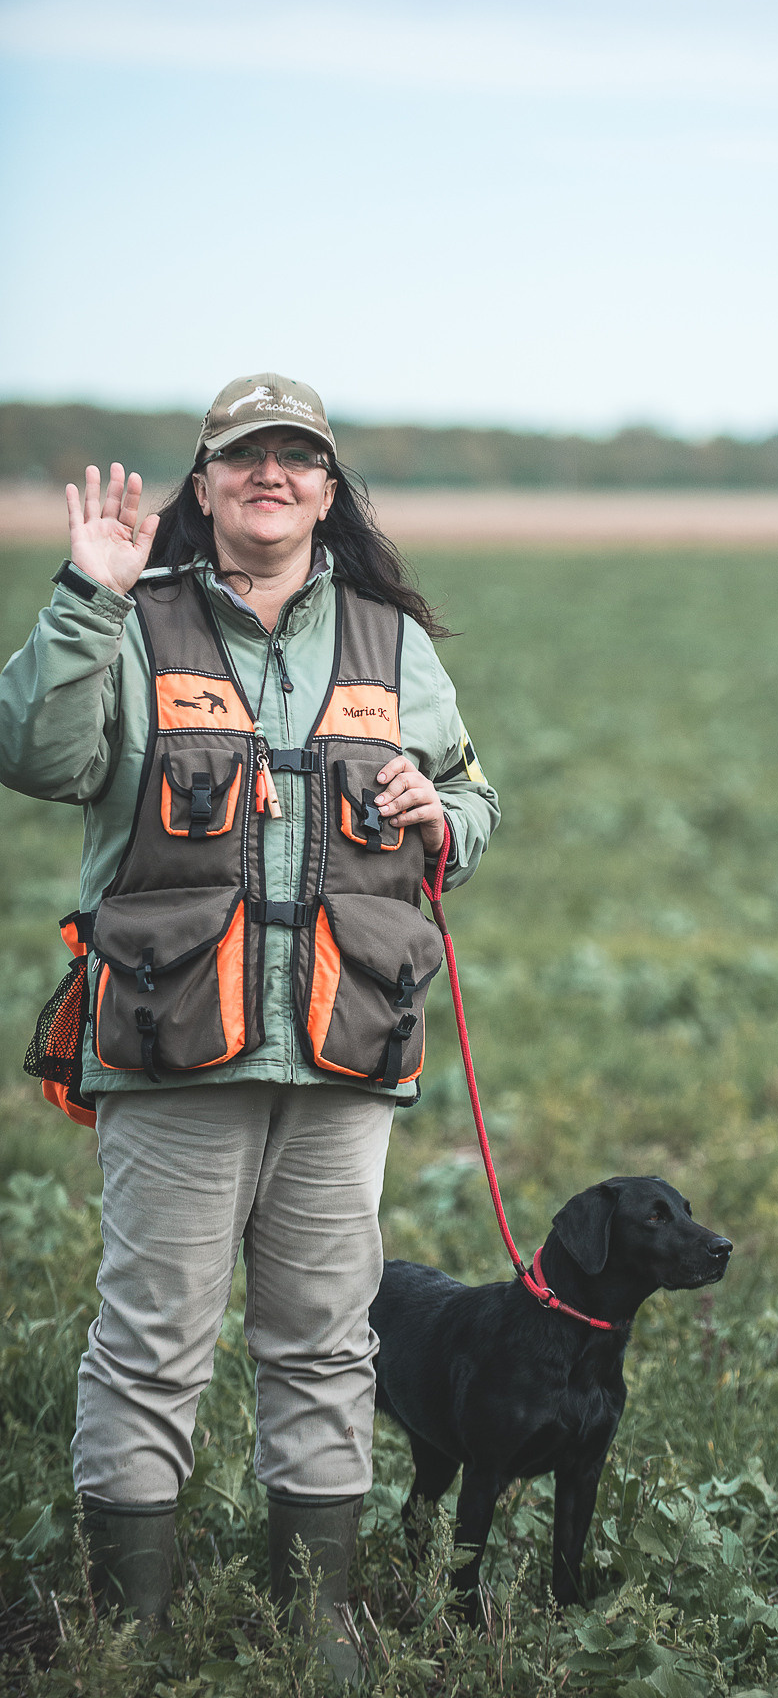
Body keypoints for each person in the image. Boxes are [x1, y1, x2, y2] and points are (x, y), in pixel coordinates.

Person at [0, 373, 500, 1682]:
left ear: (329, 492)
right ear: (205, 484)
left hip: (345, 1053)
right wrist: (83, 599)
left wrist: (442, 817)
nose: (269, 475)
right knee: (153, 1339)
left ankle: (316, 1613)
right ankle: (131, 1622)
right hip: (174, 1051)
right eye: (242, 458)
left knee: (329, 1337)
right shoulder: (132, 617)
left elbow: (472, 802)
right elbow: (38, 757)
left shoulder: (394, 643)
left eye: (297, 458)